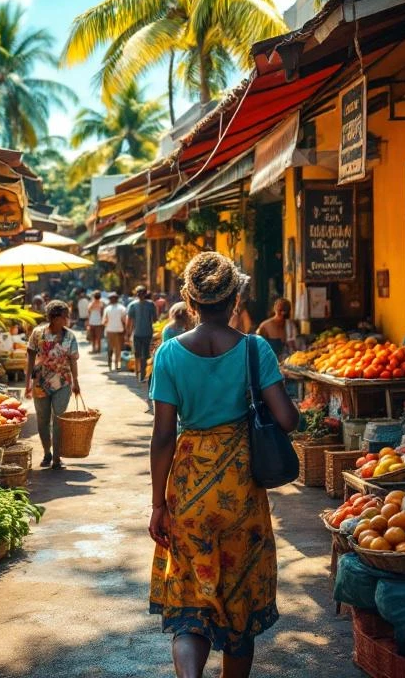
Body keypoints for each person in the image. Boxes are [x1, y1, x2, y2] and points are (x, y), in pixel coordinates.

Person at [148, 252, 298, 677]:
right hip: (242, 493)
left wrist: (159, 504)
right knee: (239, 602)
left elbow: (163, 436)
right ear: (235, 299)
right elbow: (286, 420)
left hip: (188, 489)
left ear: (190, 302)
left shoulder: (169, 354)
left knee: (189, 601)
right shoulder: (256, 349)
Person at [25, 300, 80, 472]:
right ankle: (47, 452)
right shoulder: (37, 333)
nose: (67, 319)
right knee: (42, 420)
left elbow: (72, 359)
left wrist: (76, 382)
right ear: (54, 317)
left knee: (59, 420)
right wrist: (27, 382)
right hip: (40, 382)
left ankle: (57, 457)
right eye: (65, 316)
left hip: (63, 383)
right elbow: (30, 357)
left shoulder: (70, 336)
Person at [128, 286, 159, 384]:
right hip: (139, 333)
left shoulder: (149, 305)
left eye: (141, 293)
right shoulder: (135, 305)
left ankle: (141, 374)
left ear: (145, 294)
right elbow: (130, 321)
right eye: (139, 293)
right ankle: (139, 373)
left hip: (145, 333)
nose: (140, 295)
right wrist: (128, 333)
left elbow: (154, 319)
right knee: (139, 354)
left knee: (143, 355)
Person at [103, 293, 128, 371]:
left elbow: (104, 321)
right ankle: (117, 366)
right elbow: (125, 321)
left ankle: (110, 364)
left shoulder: (107, 309)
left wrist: (109, 325)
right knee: (118, 349)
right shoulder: (122, 308)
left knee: (110, 348)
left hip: (110, 331)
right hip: (119, 331)